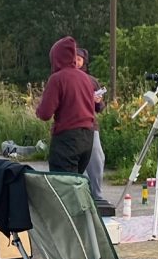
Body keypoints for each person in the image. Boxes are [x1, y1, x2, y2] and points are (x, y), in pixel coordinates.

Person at [35, 36, 97, 173]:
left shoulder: (57, 79)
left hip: (67, 138)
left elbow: (45, 113)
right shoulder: (86, 78)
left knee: (62, 185)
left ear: (56, 58)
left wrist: (38, 110)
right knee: (75, 183)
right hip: (88, 137)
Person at [76, 47, 108, 201]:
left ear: (84, 62)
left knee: (96, 158)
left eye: (79, 59)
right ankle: (77, 197)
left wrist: (99, 101)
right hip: (70, 126)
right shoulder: (61, 78)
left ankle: (97, 195)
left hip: (90, 125)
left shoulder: (91, 81)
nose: (76, 61)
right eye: (73, 58)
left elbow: (100, 108)